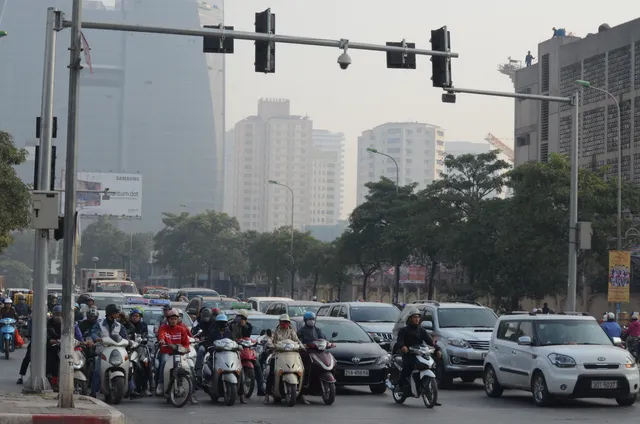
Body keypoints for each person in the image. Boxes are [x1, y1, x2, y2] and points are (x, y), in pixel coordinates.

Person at [90, 304, 138, 399]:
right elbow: (93, 333)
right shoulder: (99, 324)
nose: (117, 315)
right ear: (110, 314)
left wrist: (129, 342)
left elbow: (125, 337)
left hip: (118, 350)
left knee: (128, 367)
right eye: (116, 313)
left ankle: (131, 389)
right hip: (103, 350)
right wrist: (97, 338)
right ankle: (93, 392)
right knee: (97, 371)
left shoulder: (119, 326)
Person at [393, 308, 441, 392]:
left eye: (418, 317)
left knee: (433, 364)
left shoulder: (421, 330)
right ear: (410, 318)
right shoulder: (404, 330)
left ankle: (431, 389)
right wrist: (403, 347)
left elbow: (430, 341)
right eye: (414, 317)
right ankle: (400, 386)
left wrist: (437, 349)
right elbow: (400, 341)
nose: (416, 319)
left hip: (420, 353)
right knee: (407, 368)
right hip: (409, 354)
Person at [156, 308, 196, 403]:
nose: (173, 320)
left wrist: (186, 348)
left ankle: (192, 393)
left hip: (179, 353)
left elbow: (186, 343)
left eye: (175, 319)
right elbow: (161, 335)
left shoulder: (182, 329)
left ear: (178, 319)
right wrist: (161, 340)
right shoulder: (163, 328)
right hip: (167, 352)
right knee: (164, 362)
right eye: (171, 319)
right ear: (168, 319)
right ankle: (161, 383)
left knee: (190, 368)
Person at [263, 314, 305, 404]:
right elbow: (270, 340)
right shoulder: (275, 332)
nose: (284, 324)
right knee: (271, 373)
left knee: (301, 370)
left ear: (289, 323)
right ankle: (267, 394)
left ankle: (301, 394)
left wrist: (302, 346)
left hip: (292, 355)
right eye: (283, 322)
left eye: (286, 322)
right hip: (278, 354)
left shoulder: (292, 332)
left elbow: (297, 341)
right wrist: (271, 345)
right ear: (280, 323)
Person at [230, 310, 265, 397]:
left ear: (245, 319)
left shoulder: (248, 326)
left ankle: (261, 388)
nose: (239, 319)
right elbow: (229, 335)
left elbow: (247, 336)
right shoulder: (231, 324)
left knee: (257, 365)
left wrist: (243, 326)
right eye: (238, 317)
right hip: (234, 348)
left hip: (245, 348)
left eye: (241, 317)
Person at [297, 311, 325, 394]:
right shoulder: (302, 331)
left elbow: (322, 338)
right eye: (309, 319)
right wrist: (304, 345)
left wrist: (326, 343)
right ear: (305, 320)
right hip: (306, 352)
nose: (311, 321)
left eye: (313, 319)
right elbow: (298, 340)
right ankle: (304, 383)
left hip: (317, 351)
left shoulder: (317, 330)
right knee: (306, 367)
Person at [127, 308, 151, 397]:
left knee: (145, 364)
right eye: (134, 316)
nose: (135, 318)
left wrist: (143, 339)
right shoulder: (127, 325)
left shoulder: (143, 325)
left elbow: (145, 335)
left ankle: (145, 387)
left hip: (139, 347)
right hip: (128, 347)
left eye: (137, 316)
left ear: (140, 317)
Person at [193, 307, 215, 379]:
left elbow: (214, 333)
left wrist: (208, 337)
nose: (206, 317)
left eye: (207, 315)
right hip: (203, 344)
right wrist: (197, 337)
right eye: (204, 315)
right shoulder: (200, 324)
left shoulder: (214, 324)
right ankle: (198, 370)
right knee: (200, 350)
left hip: (213, 345)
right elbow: (194, 331)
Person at [16, 317, 32, 384]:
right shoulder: (31, 320)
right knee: (27, 358)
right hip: (34, 341)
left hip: (46, 342)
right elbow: (28, 330)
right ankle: (21, 376)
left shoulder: (48, 321)